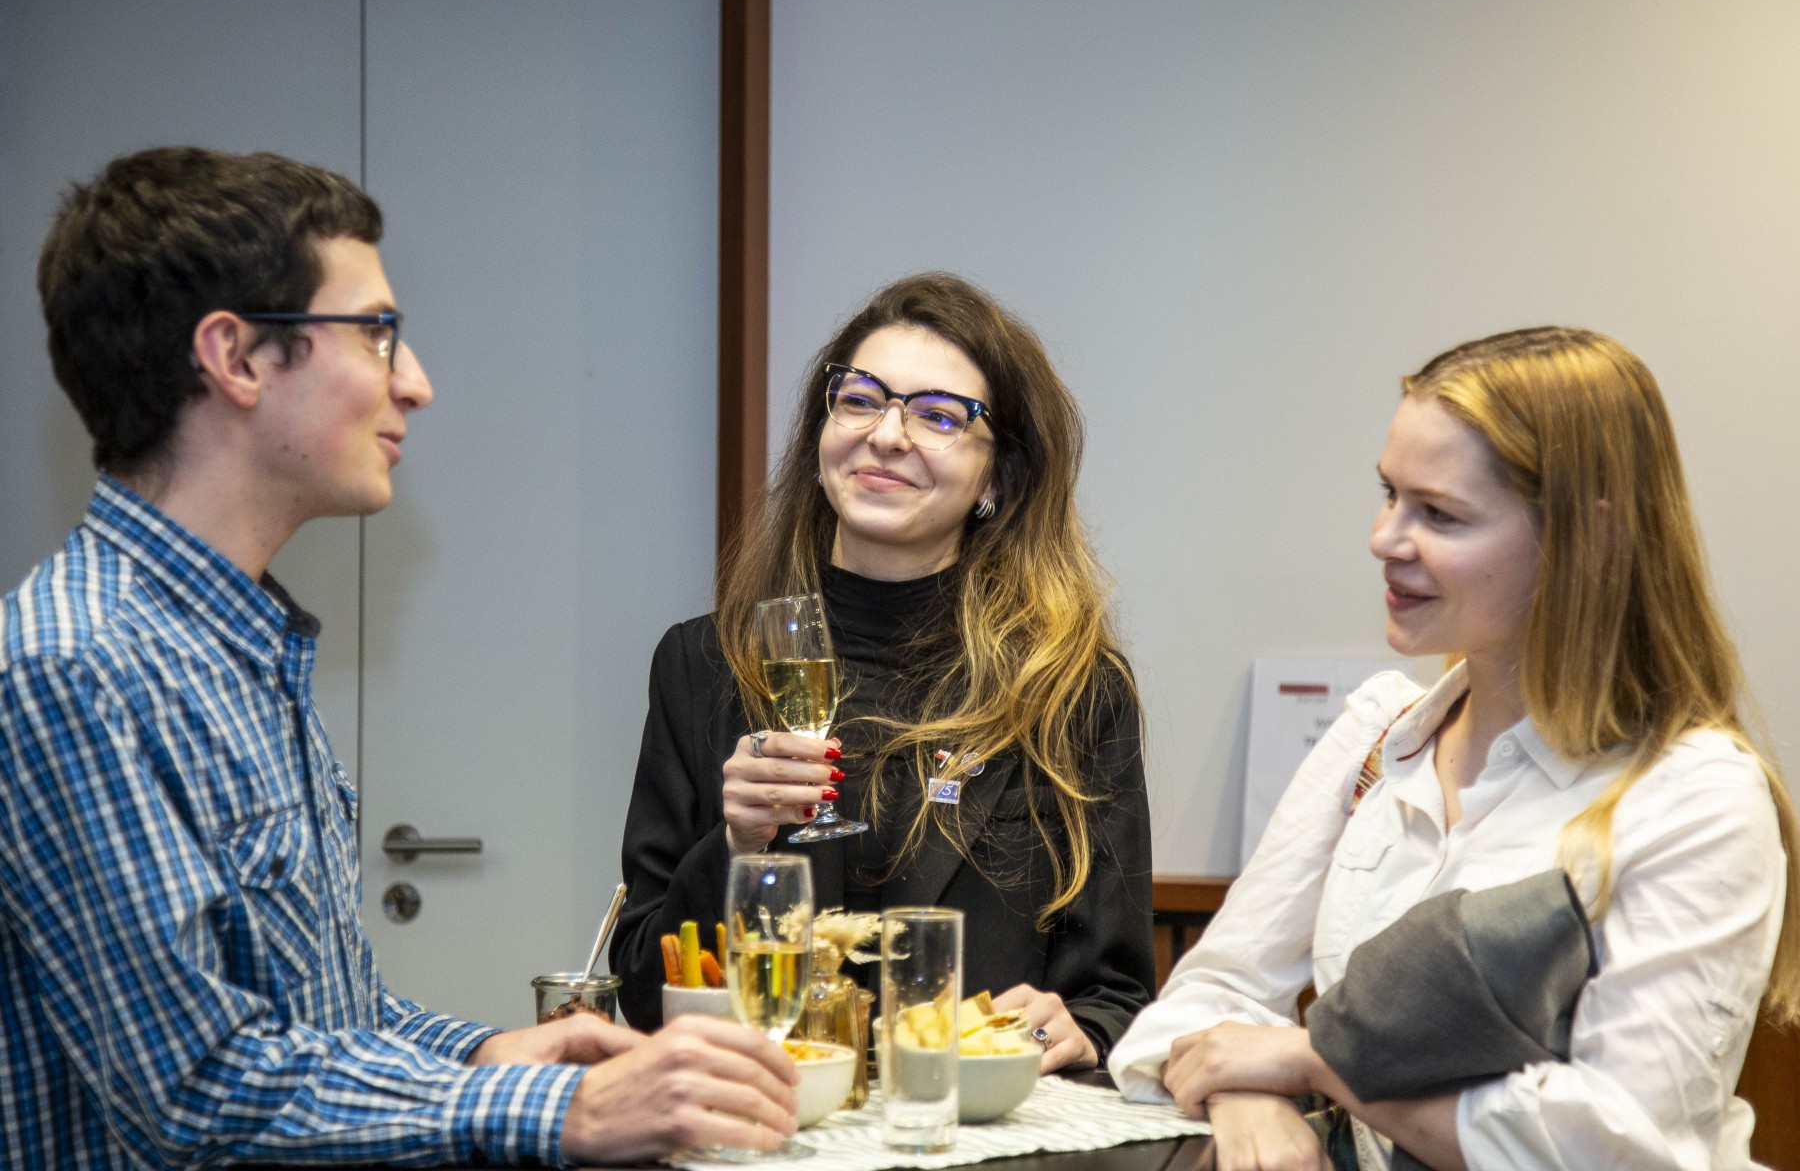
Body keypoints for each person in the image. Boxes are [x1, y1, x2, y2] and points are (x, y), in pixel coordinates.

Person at [0, 146, 798, 1169]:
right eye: (377, 333)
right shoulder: (75, 668)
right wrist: (561, 1112)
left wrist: (487, 1054)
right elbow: (195, 1087)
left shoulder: (237, 647)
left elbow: (324, 1018)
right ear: (236, 358)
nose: (414, 383)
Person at [1107, 327, 1800, 1171]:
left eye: (1439, 514)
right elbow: (1204, 1002)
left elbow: (1615, 1145)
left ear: (1588, 538)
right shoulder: (1379, 738)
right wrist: (1246, 1093)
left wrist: (1313, 1062)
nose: (1385, 538)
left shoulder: (1695, 798)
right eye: (1389, 494)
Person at [612, 272, 1154, 1070]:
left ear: (998, 476)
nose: (888, 435)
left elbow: (1114, 995)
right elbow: (642, 989)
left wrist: (1077, 1030)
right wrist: (737, 845)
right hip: (768, 1118)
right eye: (860, 400)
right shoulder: (702, 666)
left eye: (938, 415)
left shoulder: (1072, 689)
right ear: (822, 433)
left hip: (971, 1125)